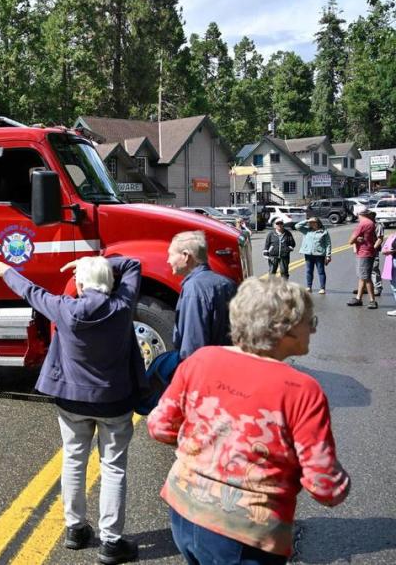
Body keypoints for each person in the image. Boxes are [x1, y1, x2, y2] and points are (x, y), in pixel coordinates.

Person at [148, 277, 350, 564]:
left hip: (183, 509)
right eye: (310, 321)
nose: (313, 328)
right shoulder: (301, 389)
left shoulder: (201, 360)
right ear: (286, 328)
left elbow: (159, 426)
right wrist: (340, 483)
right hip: (245, 532)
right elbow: (324, 486)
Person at [0, 255, 144, 565]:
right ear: (110, 282)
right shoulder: (123, 305)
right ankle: (111, 543)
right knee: (113, 468)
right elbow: (133, 265)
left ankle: (75, 530)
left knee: (74, 460)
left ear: (80, 283)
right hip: (114, 400)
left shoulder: (64, 308)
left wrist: (6, 271)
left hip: (71, 400)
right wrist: (98, 262)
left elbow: (30, 291)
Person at [167, 231, 237, 360]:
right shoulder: (227, 283)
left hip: (205, 369)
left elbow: (193, 346)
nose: (168, 260)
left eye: (171, 255)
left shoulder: (193, 289)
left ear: (185, 256)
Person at [347, 210, 381, 308]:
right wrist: (358, 239)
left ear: (360, 214)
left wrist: (355, 239)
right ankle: (358, 298)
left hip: (364, 253)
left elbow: (350, 240)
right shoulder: (370, 223)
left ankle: (372, 301)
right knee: (362, 276)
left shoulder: (363, 224)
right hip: (367, 252)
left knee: (366, 278)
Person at [295, 217, 332, 293]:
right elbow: (297, 226)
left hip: (319, 254)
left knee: (321, 271)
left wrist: (328, 255)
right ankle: (309, 287)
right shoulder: (307, 230)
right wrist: (307, 220)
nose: (311, 223)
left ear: (318, 223)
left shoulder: (324, 232)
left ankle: (322, 288)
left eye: (313, 222)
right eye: (310, 223)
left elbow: (328, 244)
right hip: (308, 254)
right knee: (309, 271)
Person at [381, 232, 396, 316]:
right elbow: (384, 249)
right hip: (392, 262)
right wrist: (387, 251)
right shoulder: (392, 235)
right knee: (394, 286)